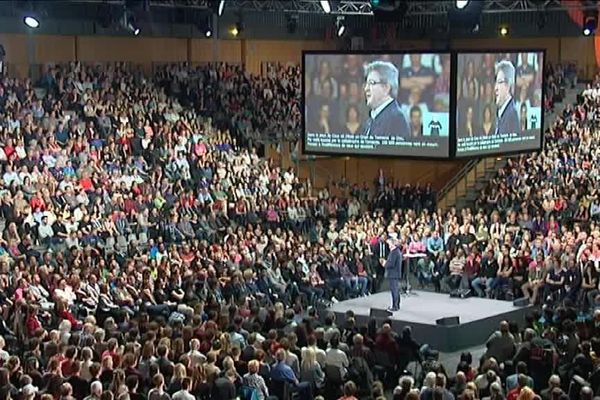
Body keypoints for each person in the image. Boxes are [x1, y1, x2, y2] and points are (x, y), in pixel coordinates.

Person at [362, 61, 409, 137]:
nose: (366, 88)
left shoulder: (396, 118)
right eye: (366, 84)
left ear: (386, 88)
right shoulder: (372, 119)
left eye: (372, 83)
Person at [494, 59, 520, 135]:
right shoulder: (502, 112)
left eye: (499, 82)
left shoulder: (512, 114)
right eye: (496, 82)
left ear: (508, 85)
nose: (495, 88)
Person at [384, 236, 403, 312]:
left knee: (394, 290)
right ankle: (396, 305)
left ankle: (395, 306)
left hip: (393, 274)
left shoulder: (394, 252)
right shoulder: (397, 251)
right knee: (396, 290)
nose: (388, 246)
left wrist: (385, 263)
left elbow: (391, 264)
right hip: (395, 274)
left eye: (389, 244)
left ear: (393, 244)